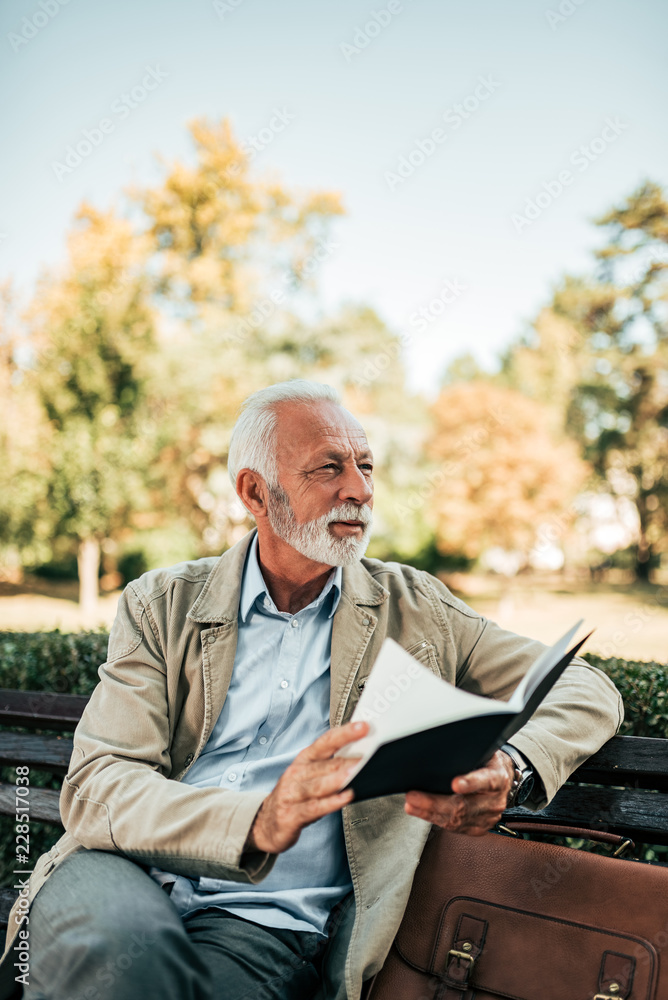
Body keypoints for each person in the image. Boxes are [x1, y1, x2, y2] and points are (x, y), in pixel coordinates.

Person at [0, 379, 622, 1000]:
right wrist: (256, 820)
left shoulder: (417, 610)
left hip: (264, 919)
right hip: (119, 872)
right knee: (125, 963)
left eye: (366, 466)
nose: (359, 489)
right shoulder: (162, 604)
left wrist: (511, 770)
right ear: (254, 492)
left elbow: (585, 688)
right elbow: (99, 784)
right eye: (328, 468)